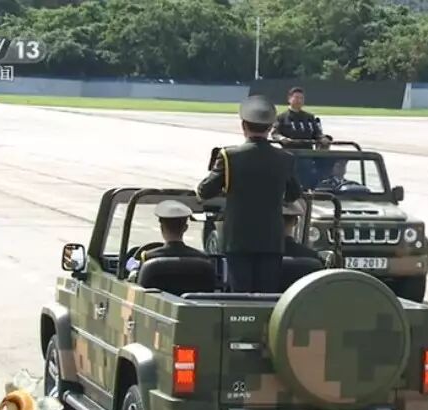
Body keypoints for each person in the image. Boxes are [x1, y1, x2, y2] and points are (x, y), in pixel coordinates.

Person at [197, 95, 302, 293]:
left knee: (240, 294)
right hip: (271, 239)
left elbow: (204, 191)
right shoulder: (285, 158)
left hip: (238, 239)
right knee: (267, 295)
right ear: (270, 128)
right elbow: (293, 194)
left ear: (243, 126)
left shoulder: (229, 156)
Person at [126, 200, 206, 274]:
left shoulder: (148, 257)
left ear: (161, 228)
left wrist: (134, 269)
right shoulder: (201, 258)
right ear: (185, 228)